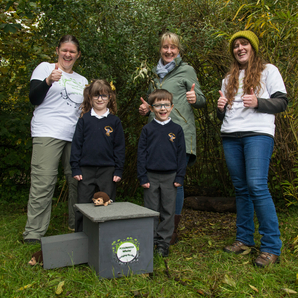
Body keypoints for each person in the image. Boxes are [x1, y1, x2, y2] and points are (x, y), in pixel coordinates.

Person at [217, 30, 288, 267]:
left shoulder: (269, 71)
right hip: (230, 136)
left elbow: (282, 102)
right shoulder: (228, 78)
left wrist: (259, 103)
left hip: (258, 134)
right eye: (235, 45)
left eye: (244, 43)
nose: (239, 48)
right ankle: (244, 239)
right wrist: (220, 107)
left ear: (253, 47)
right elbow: (225, 115)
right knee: (241, 189)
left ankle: (271, 247)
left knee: (257, 185)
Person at [138, 32, 206, 245]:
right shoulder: (153, 74)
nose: (169, 51)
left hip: (180, 134)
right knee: (155, 181)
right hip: (155, 136)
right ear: (160, 49)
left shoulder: (187, 70)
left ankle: (171, 230)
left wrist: (196, 98)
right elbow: (153, 103)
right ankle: (155, 227)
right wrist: (145, 109)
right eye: (165, 47)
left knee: (176, 182)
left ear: (178, 50)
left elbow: (202, 99)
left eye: (173, 48)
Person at [23, 35, 87, 244]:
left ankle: (76, 225)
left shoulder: (82, 80)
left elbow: (83, 111)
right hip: (47, 131)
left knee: (77, 180)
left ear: (78, 55)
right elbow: (34, 98)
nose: (68, 54)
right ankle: (34, 232)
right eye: (64, 50)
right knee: (44, 181)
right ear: (58, 50)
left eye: (72, 51)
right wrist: (49, 80)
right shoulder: (44, 68)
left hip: (74, 136)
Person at [70, 79, 125, 232]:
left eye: (104, 96)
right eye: (96, 96)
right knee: (83, 205)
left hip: (107, 170)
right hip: (85, 170)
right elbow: (76, 145)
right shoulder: (84, 120)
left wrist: (118, 170)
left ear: (110, 98)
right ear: (90, 98)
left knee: (107, 203)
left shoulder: (114, 121)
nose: (100, 99)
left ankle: (106, 234)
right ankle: (80, 234)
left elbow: (119, 148)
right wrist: (75, 168)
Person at [137, 89, 186, 257]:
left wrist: (180, 176)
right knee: (150, 210)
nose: (162, 108)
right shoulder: (147, 129)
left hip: (171, 177)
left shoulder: (177, 130)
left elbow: (181, 155)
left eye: (166, 105)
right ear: (151, 109)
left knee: (168, 210)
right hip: (150, 176)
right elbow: (141, 154)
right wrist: (142, 176)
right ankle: (149, 240)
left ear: (171, 107)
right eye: (158, 105)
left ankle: (163, 242)